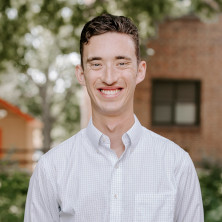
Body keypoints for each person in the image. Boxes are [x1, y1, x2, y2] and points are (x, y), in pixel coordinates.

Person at [24, 14, 204, 222]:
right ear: (81, 74)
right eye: (96, 64)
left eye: (121, 63)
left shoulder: (177, 164)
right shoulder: (51, 169)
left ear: (140, 71)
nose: (109, 78)